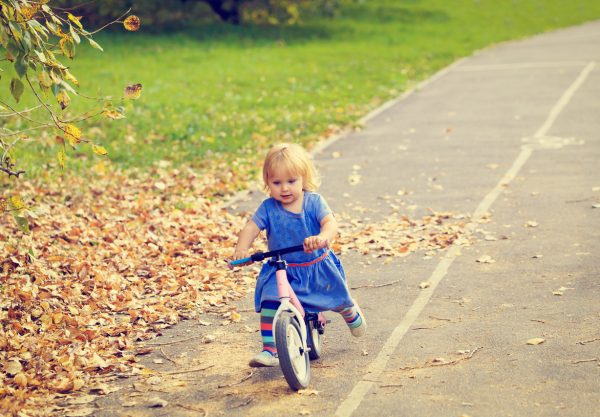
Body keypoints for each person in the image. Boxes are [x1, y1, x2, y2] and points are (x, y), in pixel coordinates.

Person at [231, 143, 366, 367]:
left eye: (291, 181)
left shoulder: (313, 202)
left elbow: (330, 224)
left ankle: (349, 311)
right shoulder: (268, 208)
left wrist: (322, 237)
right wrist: (242, 249)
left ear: (304, 178)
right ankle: (270, 350)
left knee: (335, 299)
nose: (284, 188)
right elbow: (251, 227)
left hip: (315, 266)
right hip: (282, 269)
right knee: (270, 303)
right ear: (267, 182)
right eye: (276, 182)